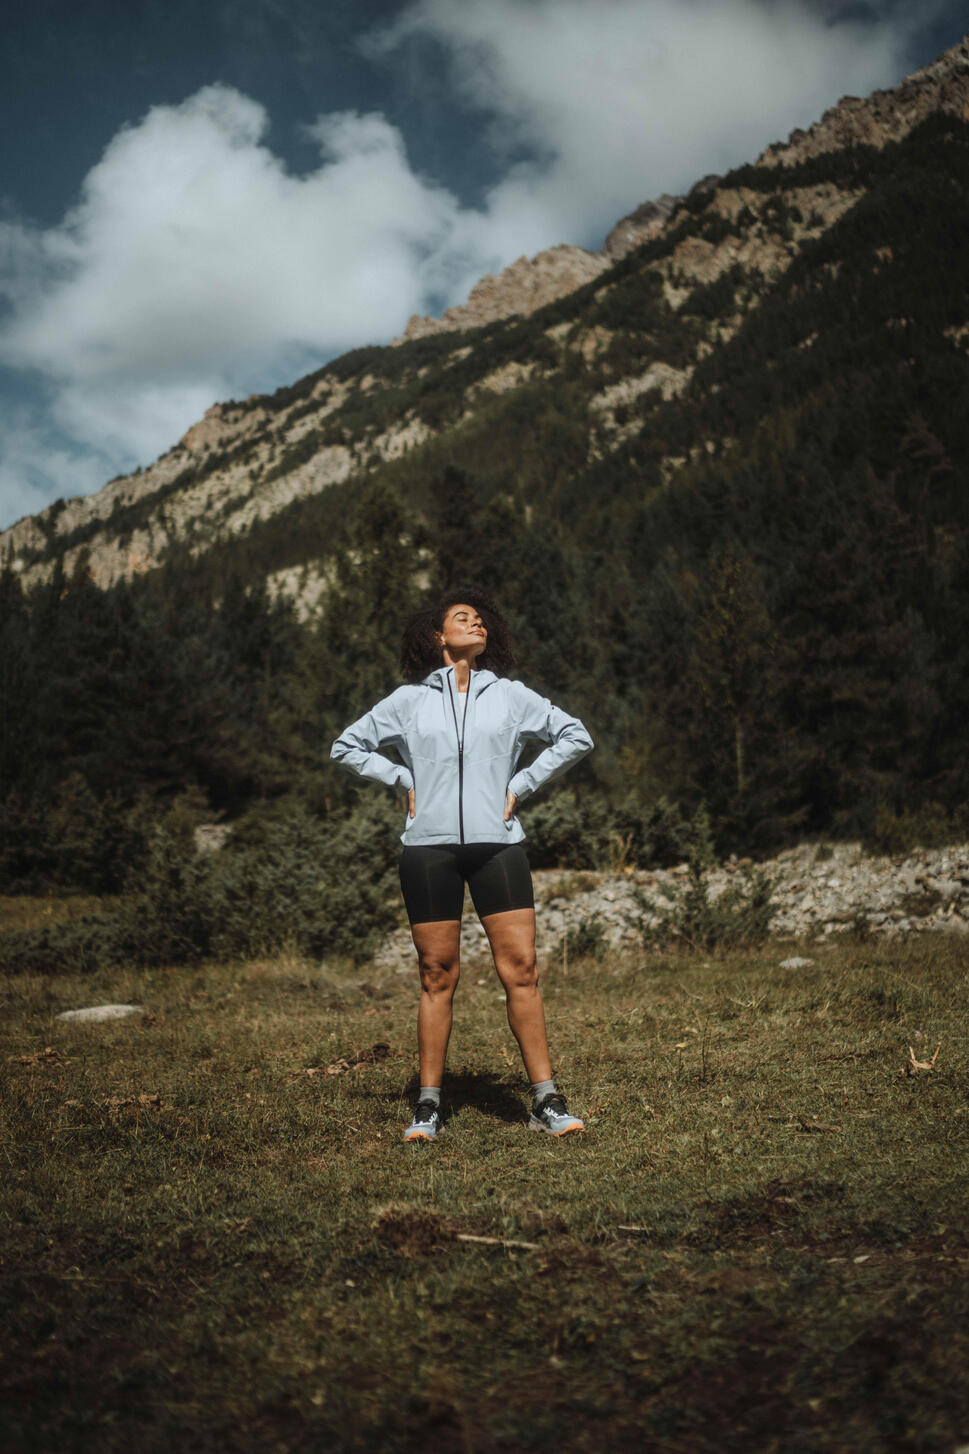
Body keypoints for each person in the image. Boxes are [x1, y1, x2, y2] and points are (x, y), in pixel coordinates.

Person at [331, 589, 594, 1142]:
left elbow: (576, 736)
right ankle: (428, 1105)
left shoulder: (510, 696)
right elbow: (346, 746)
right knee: (436, 975)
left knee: (521, 968)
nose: (476, 623)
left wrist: (521, 784)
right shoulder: (408, 701)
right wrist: (402, 778)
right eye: (462, 618)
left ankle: (546, 1100)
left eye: (480, 619)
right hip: (429, 849)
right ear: (437, 636)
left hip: (498, 844)